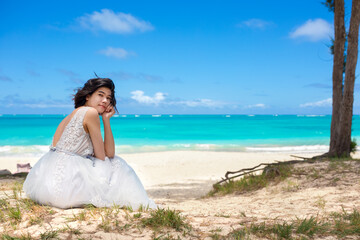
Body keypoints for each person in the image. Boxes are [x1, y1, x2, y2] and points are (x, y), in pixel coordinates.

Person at [23, 77, 157, 210]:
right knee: (117, 163)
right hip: (67, 187)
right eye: (100, 95)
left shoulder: (71, 115)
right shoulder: (90, 113)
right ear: (88, 96)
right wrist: (106, 121)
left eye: (109, 98)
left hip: (45, 186)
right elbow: (105, 156)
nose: (105, 101)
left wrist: (105, 119)